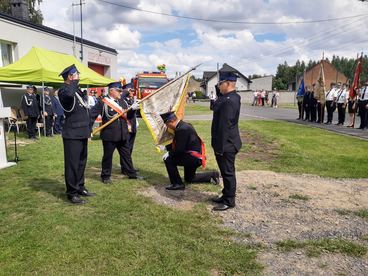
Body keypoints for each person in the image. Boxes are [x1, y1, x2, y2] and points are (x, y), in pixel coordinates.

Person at [90, 82, 142, 184]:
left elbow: (128, 117)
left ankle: (131, 174)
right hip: (110, 135)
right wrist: (88, 129)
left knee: (126, 155)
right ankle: (105, 176)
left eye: (120, 91)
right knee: (108, 156)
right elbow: (91, 115)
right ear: (111, 91)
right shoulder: (103, 102)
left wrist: (132, 110)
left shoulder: (122, 102)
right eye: (118, 91)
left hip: (123, 134)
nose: (120, 93)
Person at [58, 64, 96, 204]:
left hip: (81, 132)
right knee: (72, 165)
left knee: (81, 163)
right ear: (70, 76)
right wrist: (74, 81)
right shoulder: (63, 90)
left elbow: (84, 110)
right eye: (76, 74)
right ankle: (71, 193)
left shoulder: (77, 91)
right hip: (72, 134)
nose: (79, 76)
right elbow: (69, 95)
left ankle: (80, 187)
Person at [160, 111, 220, 190]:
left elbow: (179, 149)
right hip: (194, 156)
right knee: (189, 178)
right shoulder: (183, 125)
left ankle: (177, 184)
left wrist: (169, 154)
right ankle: (212, 175)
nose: (168, 127)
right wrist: (166, 147)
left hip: (193, 157)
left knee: (168, 160)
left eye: (167, 124)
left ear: (171, 121)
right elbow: (181, 143)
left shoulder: (181, 129)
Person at [211, 72, 242, 211]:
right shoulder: (228, 98)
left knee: (228, 172)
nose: (219, 86)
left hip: (227, 143)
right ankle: (226, 195)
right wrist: (218, 93)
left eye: (220, 83)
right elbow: (215, 106)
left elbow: (225, 125)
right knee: (225, 172)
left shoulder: (230, 100)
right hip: (225, 142)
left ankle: (229, 201)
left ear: (228, 83)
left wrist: (221, 147)